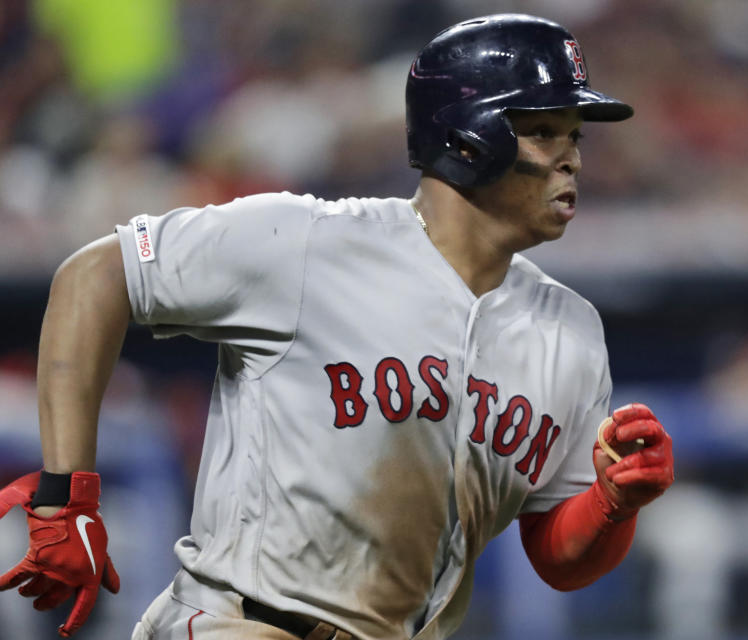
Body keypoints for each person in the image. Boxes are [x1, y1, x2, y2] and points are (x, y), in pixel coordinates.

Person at [0, 14, 674, 640]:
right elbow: (95, 275)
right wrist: (66, 497)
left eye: (575, 136)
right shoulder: (307, 243)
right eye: (545, 131)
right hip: (240, 623)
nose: (573, 159)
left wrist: (613, 504)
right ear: (468, 136)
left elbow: (556, 556)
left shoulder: (571, 332)